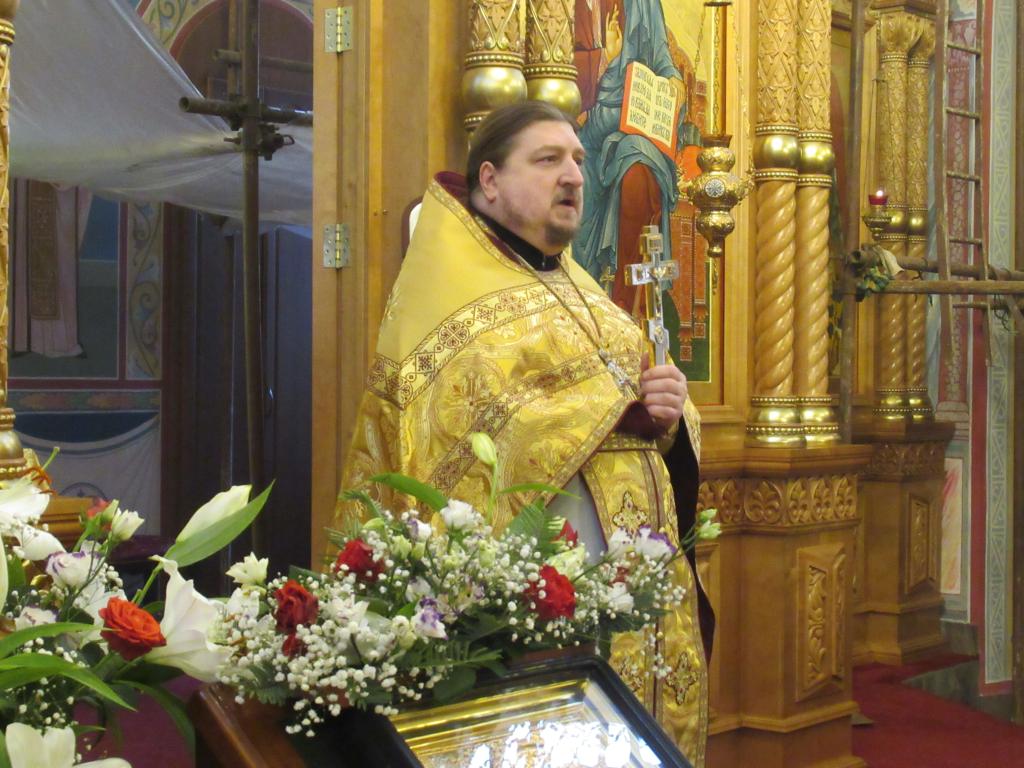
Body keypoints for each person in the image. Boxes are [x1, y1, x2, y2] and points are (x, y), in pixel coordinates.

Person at [337, 101, 708, 764]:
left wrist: (671, 412)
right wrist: (612, 407)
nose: (574, 176)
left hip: (630, 589)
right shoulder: (450, 295)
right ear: (490, 181)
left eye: (578, 160)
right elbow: (452, 442)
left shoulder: (578, 286)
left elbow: (645, 412)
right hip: (538, 604)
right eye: (547, 160)